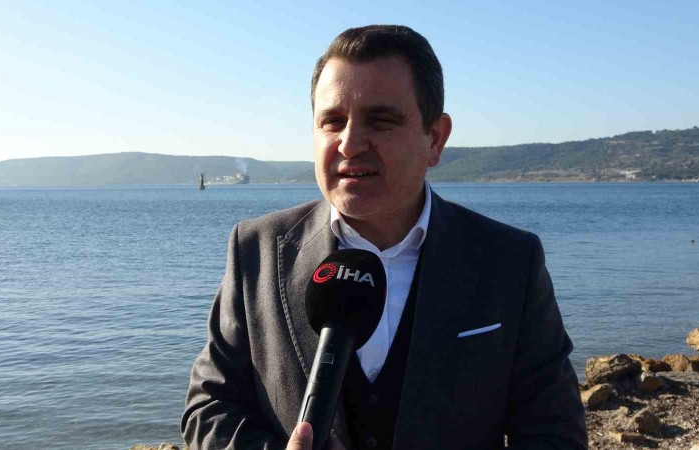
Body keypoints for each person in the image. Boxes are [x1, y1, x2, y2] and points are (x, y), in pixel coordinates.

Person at [182, 25, 587, 450]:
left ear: (435, 139)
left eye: (381, 121)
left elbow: (553, 431)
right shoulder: (256, 250)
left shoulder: (510, 262)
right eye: (332, 121)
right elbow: (209, 406)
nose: (350, 144)